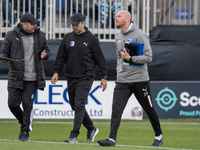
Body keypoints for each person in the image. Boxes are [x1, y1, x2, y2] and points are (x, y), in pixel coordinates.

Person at [97, 10, 163, 147]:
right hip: (122, 80)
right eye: (115, 16)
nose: (115, 18)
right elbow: (119, 58)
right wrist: (119, 72)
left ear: (127, 19)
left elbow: (149, 57)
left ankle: (159, 136)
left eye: (119, 16)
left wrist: (131, 58)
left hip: (140, 79)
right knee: (116, 110)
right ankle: (111, 139)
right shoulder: (118, 36)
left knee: (149, 108)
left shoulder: (140, 35)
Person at [51, 13, 108, 143]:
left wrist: (104, 76)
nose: (74, 27)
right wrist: (56, 72)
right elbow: (61, 57)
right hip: (71, 77)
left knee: (79, 104)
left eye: (76, 24)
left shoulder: (92, 39)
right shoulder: (67, 38)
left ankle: (74, 135)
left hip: (86, 77)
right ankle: (91, 128)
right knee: (74, 106)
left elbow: (101, 60)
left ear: (83, 23)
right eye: (72, 24)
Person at [0, 13, 50, 142]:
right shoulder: (11, 35)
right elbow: (4, 52)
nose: (35, 26)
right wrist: (3, 59)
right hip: (15, 77)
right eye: (32, 24)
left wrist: (45, 54)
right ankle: (24, 123)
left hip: (32, 78)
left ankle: (25, 132)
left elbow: (47, 50)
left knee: (28, 105)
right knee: (12, 104)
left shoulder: (40, 35)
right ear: (24, 24)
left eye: (35, 24)